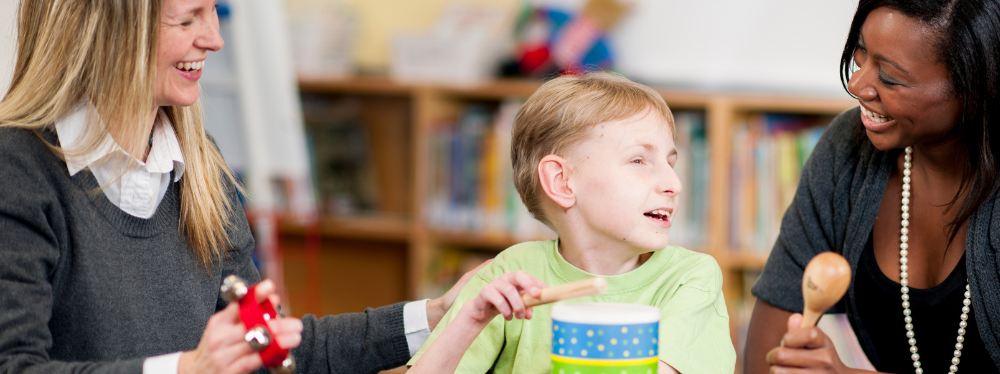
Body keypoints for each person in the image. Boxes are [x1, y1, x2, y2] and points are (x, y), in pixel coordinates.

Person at [0, 0, 531, 373]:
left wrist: (437, 313)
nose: (214, 39)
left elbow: (274, 348)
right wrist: (189, 370)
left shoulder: (200, 166)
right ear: (108, 32)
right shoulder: (18, 169)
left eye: (212, 12)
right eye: (187, 19)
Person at [744, 0, 1000, 373]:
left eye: (889, 77)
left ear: (983, 89)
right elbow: (763, 359)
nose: (857, 85)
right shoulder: (847, 149)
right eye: (861, 54)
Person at [407, 72, 736, 373]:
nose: (674, 184)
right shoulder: (510, 274)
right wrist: (470, 320)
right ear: (562, 182)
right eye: (639, 160)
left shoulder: (690, 278)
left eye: (670, 162)